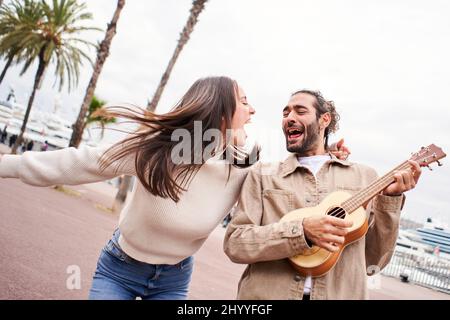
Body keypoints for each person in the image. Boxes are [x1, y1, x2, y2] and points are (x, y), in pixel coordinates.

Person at [0, 78, 347, 300]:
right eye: (244, 101)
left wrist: (323, 157)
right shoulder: (153, 151)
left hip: (173, 280)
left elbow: (285, 183)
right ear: (220, 111)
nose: (254, 109)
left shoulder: (243, 168)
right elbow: (75, 163)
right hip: (119, 268)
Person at [223, 89, 421, 300]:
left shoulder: (365, 177)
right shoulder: (262, 174)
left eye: (300, 111)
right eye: (285, 113)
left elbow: (373, 262)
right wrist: (301, 232)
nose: (290, 118)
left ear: (324, 119)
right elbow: (236, 244)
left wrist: (389, 201)